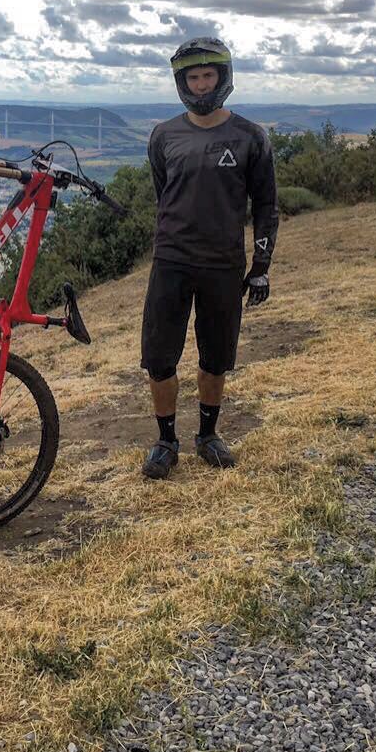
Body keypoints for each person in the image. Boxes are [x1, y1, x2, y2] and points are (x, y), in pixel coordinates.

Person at [141, 37, 279, 480]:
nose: (201, 85)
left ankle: (207, 435)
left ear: (223, 77)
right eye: (194, 78)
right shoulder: (163, 136)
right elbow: (165, 194)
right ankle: (166, 441)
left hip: (223, 264)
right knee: (159, 358)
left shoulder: (250, 137)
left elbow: (266, 205)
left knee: (216, 357)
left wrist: (261, 268)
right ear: (182, 83)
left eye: (208, 76)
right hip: (171, 261)